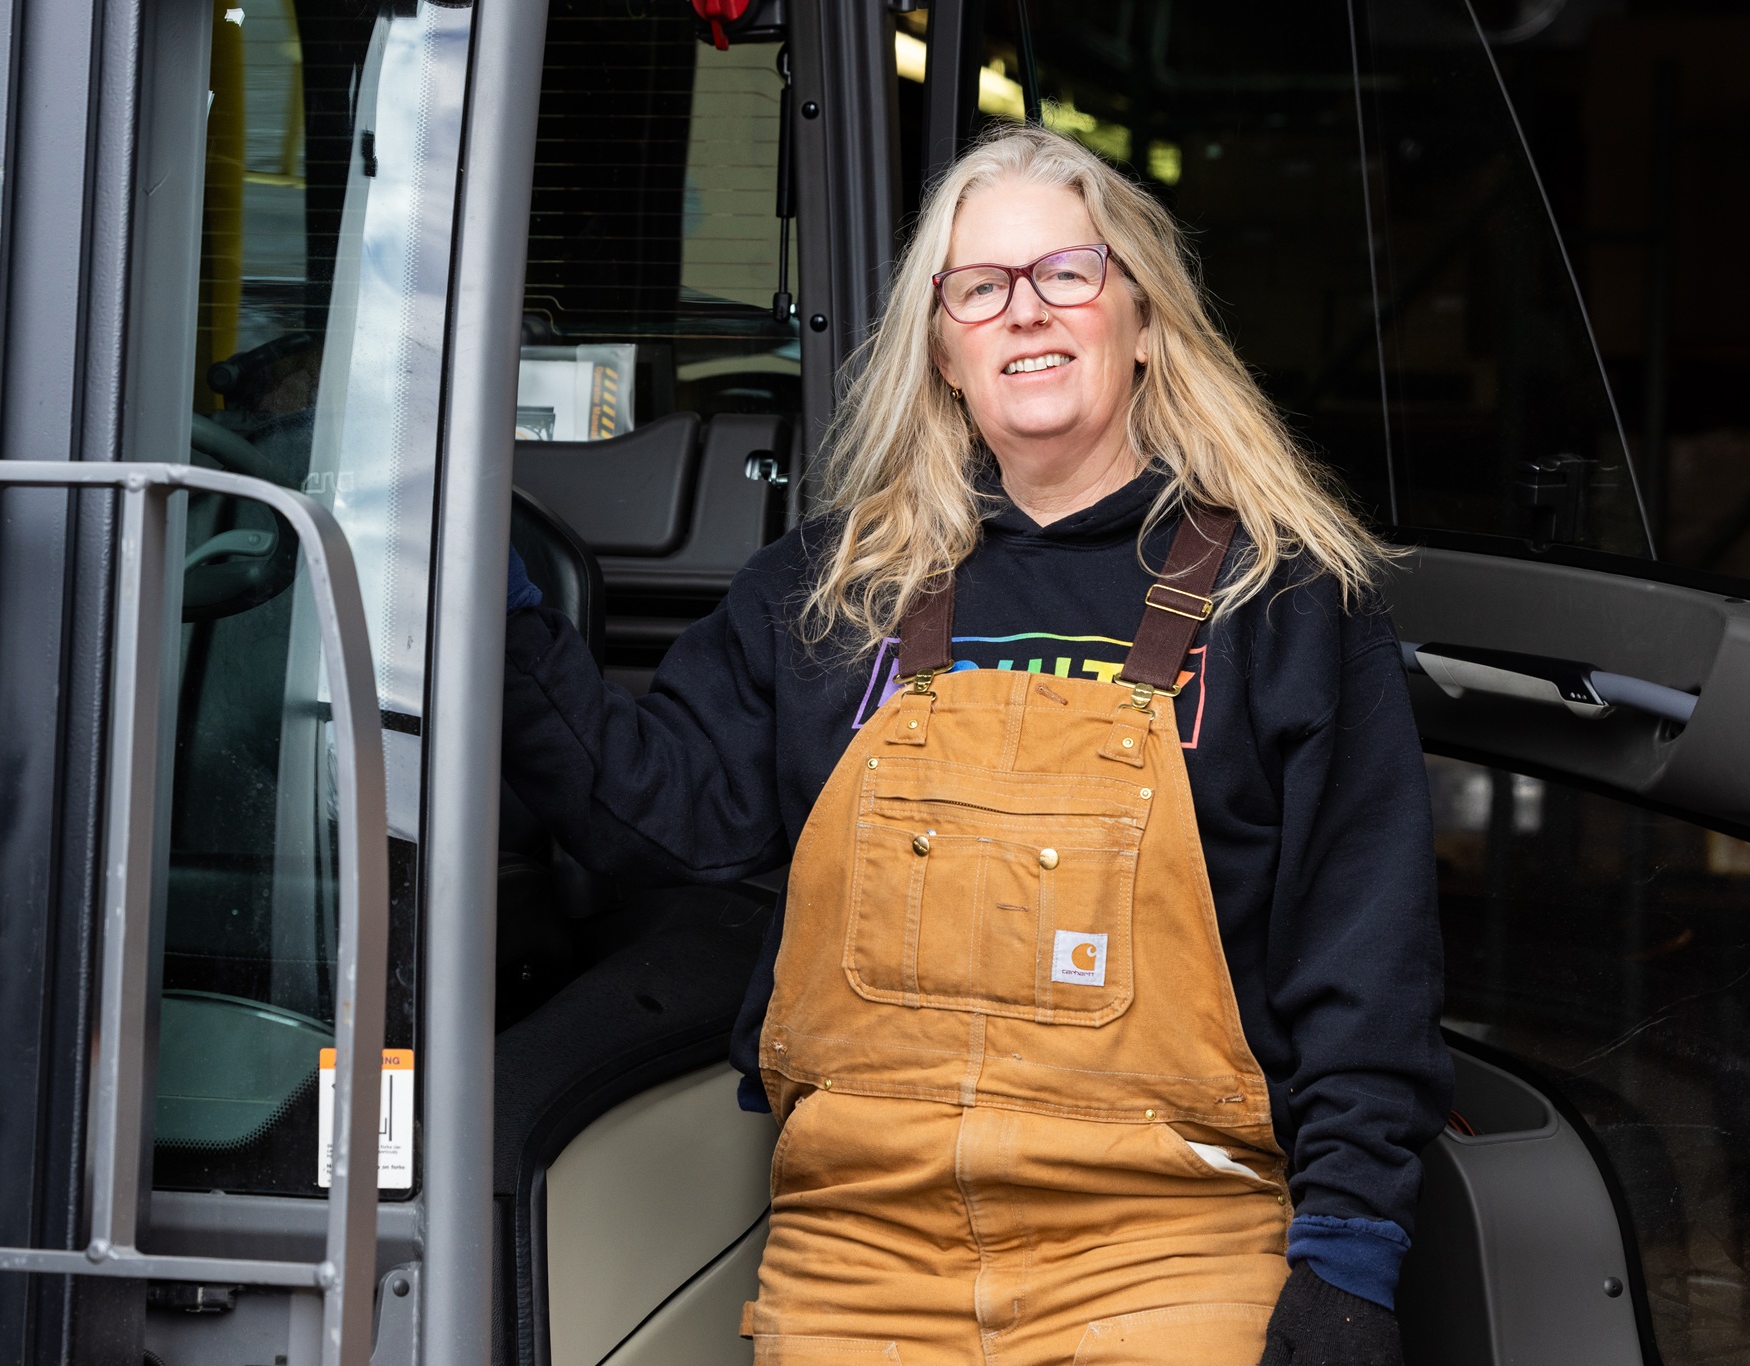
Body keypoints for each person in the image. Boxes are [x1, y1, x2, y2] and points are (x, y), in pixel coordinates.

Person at [503, 124, 1451, 1366]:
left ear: (1145, 318)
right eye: (982, 288)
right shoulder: (833, 594)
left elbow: (1365, 952)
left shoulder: (1280, 602)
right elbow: (659, 813)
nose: (1026, 312)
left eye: (1069, 272)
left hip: (1164, 1253)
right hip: (859, 1260)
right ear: (944, 349)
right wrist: (500, 611)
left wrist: (1348, 1255)